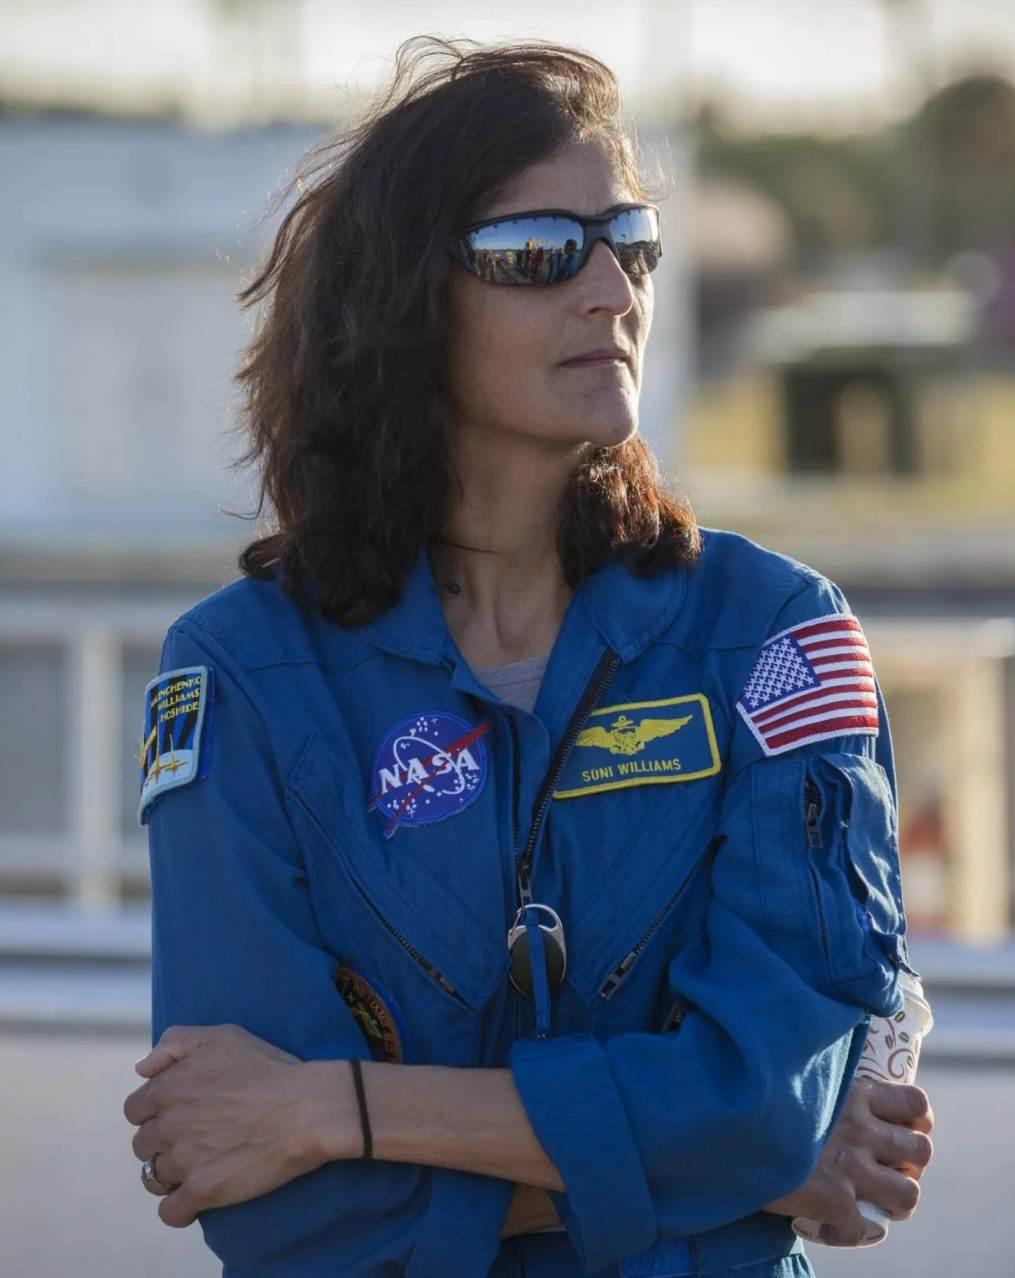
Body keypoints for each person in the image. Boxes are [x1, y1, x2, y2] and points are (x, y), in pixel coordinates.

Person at [119, 40, 932, 1277]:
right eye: (540, 250)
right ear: (402, 301)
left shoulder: (775, 637)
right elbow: (271, 1208)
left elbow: (768, 1105)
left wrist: (336, 1109)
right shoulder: (241, 675)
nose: (611, 290)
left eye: (631, 241)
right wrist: (711, 1172)